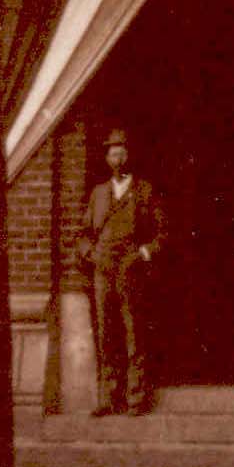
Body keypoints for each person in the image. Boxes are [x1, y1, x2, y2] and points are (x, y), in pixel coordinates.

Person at [87, 131, 164, 416]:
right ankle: (109, 397)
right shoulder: (98, 194)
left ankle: (136, 396)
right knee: (106, 334)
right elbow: (83, 235)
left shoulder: (145, 191)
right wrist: (91, 254)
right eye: (113, 154)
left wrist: (142, 254)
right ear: (107, 159)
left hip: (131, 271)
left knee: (134, 334)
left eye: (122, 153)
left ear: (130, 157)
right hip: (103, 270)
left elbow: (161, 234)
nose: (118, 159)